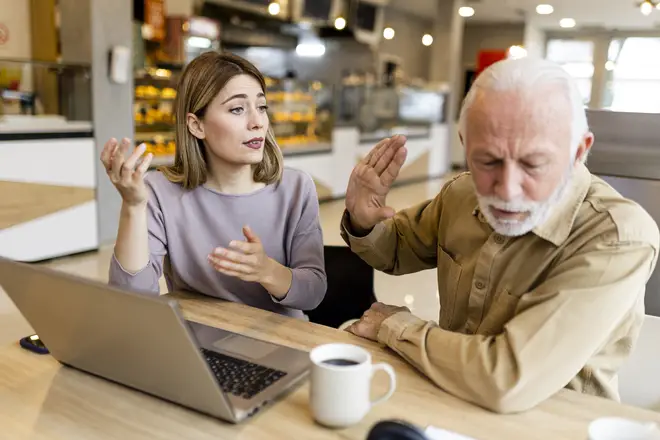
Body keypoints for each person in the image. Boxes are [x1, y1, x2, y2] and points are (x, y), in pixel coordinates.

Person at [340, 58, 660, 413]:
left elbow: (507, 379)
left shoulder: (617, 236)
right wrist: (365, 220)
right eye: (488, 161)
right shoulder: (461, 194)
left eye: (533, 164)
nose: (507, 190)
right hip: (448, 399)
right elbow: (397, 250)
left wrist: (396, 326)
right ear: (464, 143)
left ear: (579, 151)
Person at [101, 52, 327, 319]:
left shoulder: (296, 188)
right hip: (197, 344)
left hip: (280, 342)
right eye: (237, 109)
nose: (257, 122)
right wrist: (133, 206)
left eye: (262, 107)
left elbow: (313, 293)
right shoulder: (159, 191)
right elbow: (132, 301)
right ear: (196, 125)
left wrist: (267, 270)